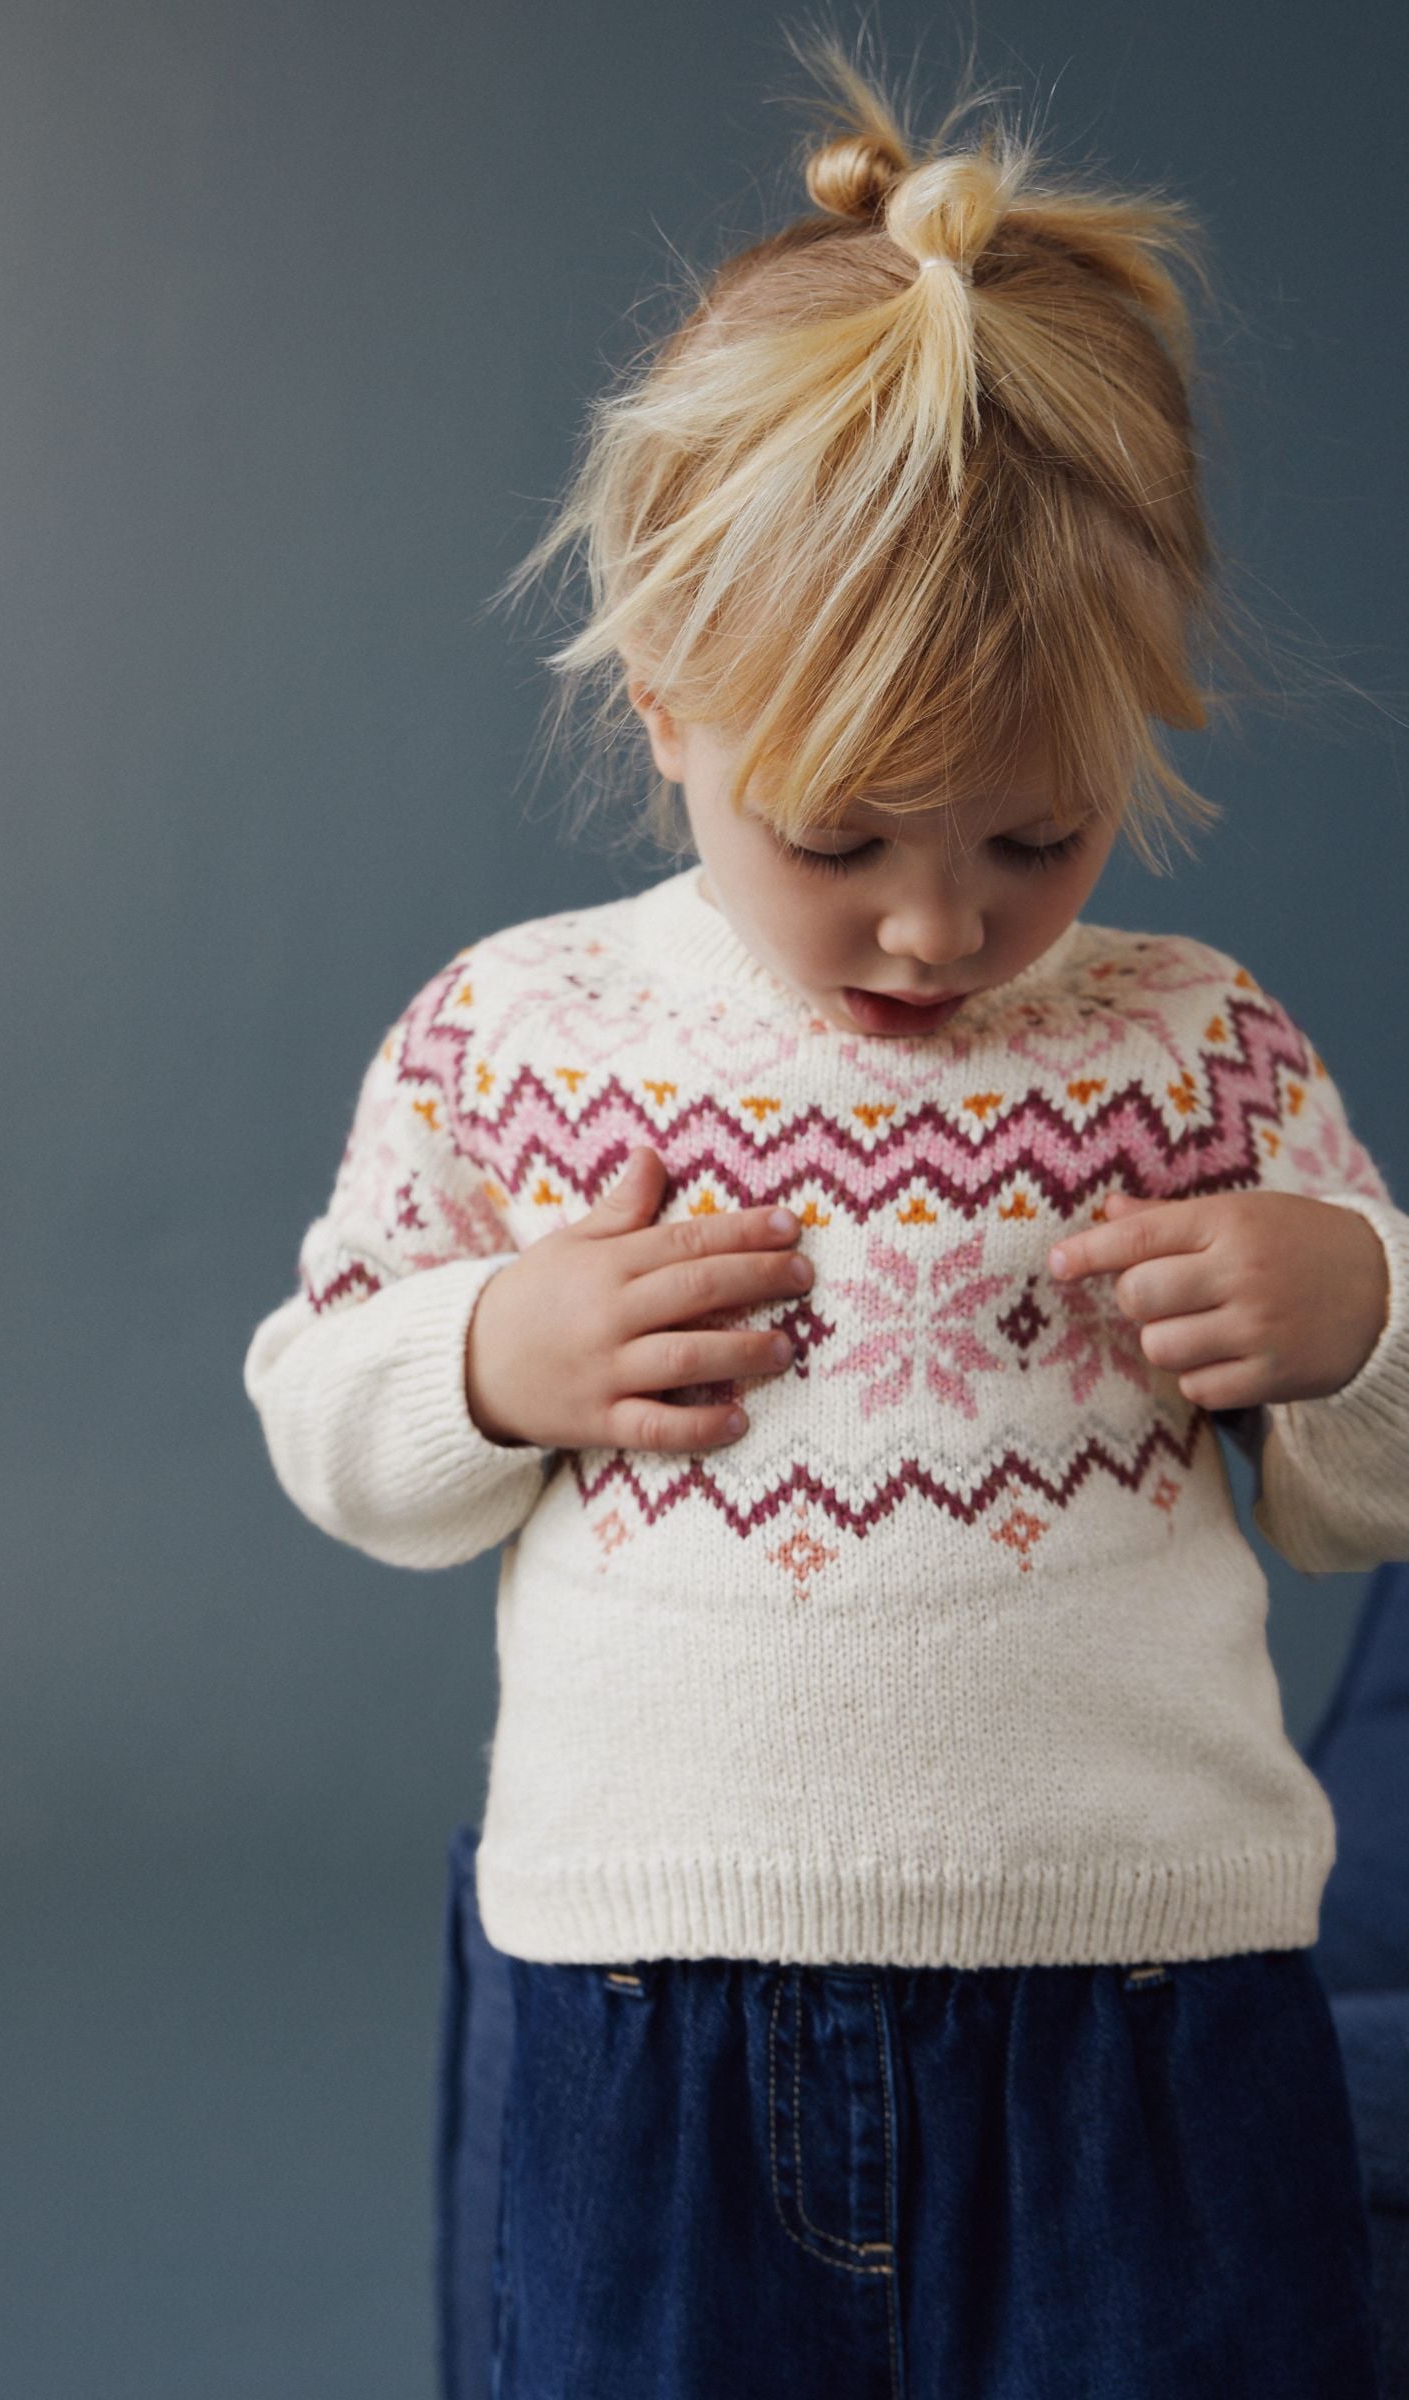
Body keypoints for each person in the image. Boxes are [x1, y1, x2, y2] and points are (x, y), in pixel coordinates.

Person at [242, 30, 1408, 2397]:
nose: (932, 928)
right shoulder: (522, 1029)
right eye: (842, 838)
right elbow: (323, 1410)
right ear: (666, 703)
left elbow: (1366, 1504)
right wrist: (488, 1358)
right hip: (649, 1991)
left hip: (1150, 1996)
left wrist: (1353, 1317)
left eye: (1031, 834)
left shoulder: (1199, 1044)